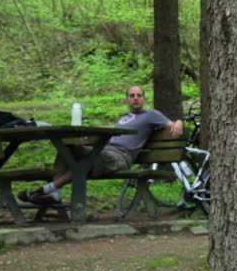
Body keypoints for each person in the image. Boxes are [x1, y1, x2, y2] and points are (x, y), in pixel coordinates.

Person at [18, 85, 184, 205]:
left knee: (86, 160)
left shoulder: (150, 114)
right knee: (65, 147)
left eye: (139, 95)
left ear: (143, 98)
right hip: (105, 151)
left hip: (120, 156)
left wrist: (178, 122)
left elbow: (171, 125)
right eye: (132, 95)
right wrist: (90, 133)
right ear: (127, 99)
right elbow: (115, 128)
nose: (135, 98)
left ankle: (45, 190)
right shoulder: (126, 116)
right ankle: (55, 195)